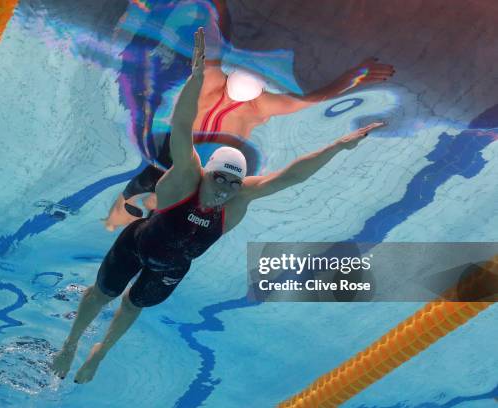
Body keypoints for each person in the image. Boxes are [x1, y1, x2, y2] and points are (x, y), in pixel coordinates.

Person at [51, 28, 386, 383]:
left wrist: (337, 146)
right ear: (206, 174)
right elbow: (181, 126)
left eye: (233, 182)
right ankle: (71, 344)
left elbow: (290, 176)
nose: (225, 188)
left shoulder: (238, 200)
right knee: (102, 294)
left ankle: (100, 352)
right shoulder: (185, 179)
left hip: (171, 269)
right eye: (220, 179)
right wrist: (195, 79)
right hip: (136, 244)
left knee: (132, 306)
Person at [105, 30, 394, 230]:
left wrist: (354, 77)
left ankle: (121, 213)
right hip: (198, 161)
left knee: (150, 189)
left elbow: (210, 52)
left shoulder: (218, 86)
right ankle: (127, 213)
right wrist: (352, 77)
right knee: (164, 202)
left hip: (184, 156)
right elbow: (311, 99)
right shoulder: (257, 103)